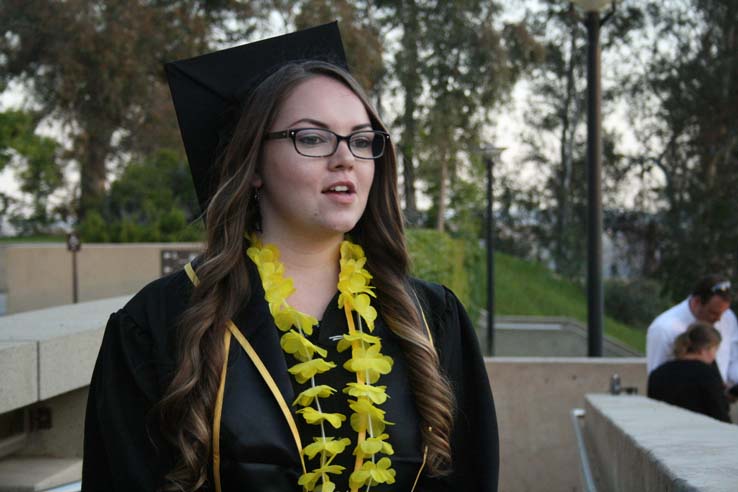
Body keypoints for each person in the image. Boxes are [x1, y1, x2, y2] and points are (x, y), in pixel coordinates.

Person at [81, 23, 499, 492]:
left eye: (362, 140)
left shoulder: (428, 320)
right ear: (254, 164)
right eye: (313, 138)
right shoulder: (161, 324)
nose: (346, 159)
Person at [646, 274, 738, 384]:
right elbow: (657, 380)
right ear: (696, 302)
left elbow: (734, 360)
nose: (719, 319)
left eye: (723, 313)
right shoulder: (663, 329)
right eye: (713, 313)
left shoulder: (728, 318)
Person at [647, 321, 730, 422]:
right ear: (704, 349)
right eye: (715, 350)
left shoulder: (658, 373)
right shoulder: (708, 374)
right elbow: (719, 413)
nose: (714, 357)